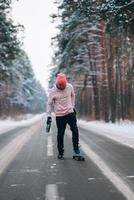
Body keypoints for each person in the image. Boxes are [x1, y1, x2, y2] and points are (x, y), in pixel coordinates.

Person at [46, 73, 81, 159]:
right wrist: (49, 116)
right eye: (60, 85)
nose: (62, 87)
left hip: (70, 112)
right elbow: (49, 104)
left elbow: (73, 95)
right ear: (57, 83)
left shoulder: (69, 87)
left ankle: (76, 149)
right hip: (59, 115)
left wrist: (72, 106)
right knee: (60, 134)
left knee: (75, 130)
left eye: (63, 85)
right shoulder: (53, 91)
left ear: (66, 83)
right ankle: (60, 152)